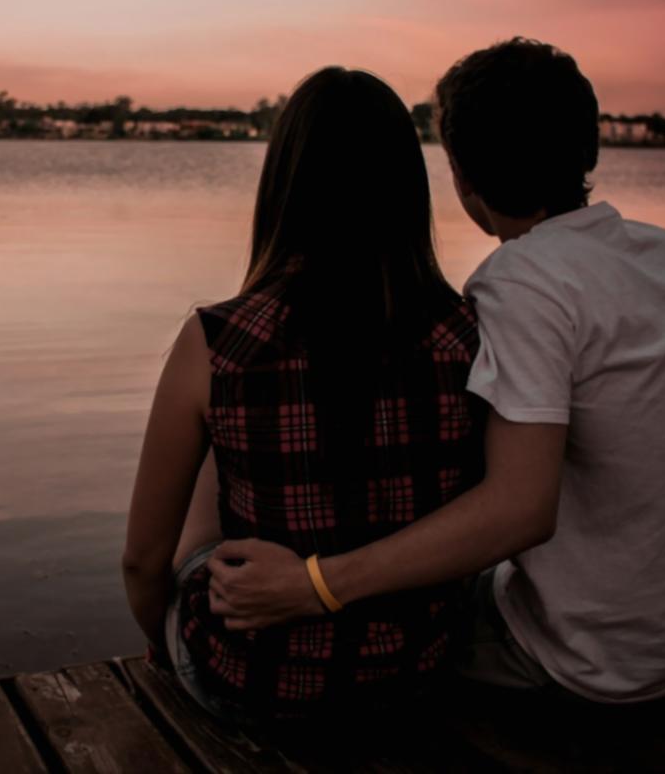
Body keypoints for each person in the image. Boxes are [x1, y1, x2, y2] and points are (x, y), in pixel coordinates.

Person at [207, 38, 665, 704]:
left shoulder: (520, 282)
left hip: (596, 658)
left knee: (393, 621)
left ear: (463, 178)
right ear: (585, 150)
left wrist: (316, 583)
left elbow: (519, 512)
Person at [121, 66, 485, 720]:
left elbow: (141, 564)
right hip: (414, 675)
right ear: (407, 188)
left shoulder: (218, 340)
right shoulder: (468, 335)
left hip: (255, 683)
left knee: (210, 445)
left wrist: (167, 645)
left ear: (283, 184)